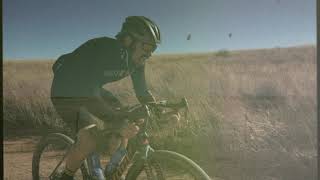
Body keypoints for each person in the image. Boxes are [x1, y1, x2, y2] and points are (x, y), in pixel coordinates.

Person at [50, 16, 178, 180]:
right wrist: (118, 120)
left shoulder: (137, 61)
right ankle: (65, 176)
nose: (149, 53)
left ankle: (112, 172)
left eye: (153, 49)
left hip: (91, 88)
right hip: (66, 90)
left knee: (128, 122)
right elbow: (89, 94)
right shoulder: (105, 49)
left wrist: (158, 111)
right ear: (128, 40)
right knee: (89, 138)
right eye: (146, 46)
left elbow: (142, 93)